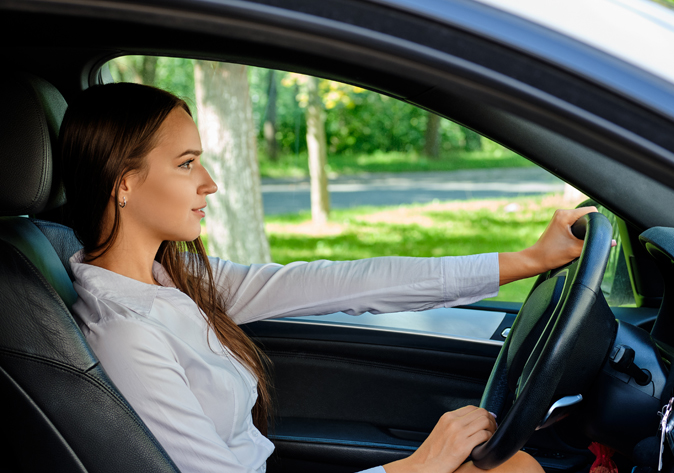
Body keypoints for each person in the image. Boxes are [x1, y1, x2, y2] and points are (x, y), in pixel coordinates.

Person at [58, 82, 596, 473]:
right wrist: (417, 467)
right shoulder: (126, 334)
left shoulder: (174, 281)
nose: (211, 183)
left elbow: (348, 282)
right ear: (125, 183)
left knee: (513, 466)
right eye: (186, 164)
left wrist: (526, 260)